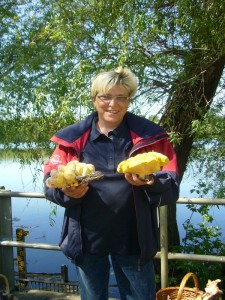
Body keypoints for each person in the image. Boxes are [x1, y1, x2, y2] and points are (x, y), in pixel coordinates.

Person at [43, 67, 179, 300]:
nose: (112, 104)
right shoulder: (73, 138)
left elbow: (171, 185)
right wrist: (69, 194)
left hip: (133, 238)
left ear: (129, 100)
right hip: (88, 239)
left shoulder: (150, 136)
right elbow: (50, 182)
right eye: (105, 97)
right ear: (94, 99)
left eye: (121, 97)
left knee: (140, 297)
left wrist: (149, 181)